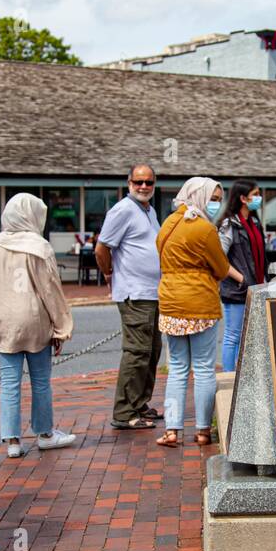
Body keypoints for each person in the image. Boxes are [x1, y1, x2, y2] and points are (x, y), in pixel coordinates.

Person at [0, 192, 75, 457]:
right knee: (41, 381)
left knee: (9, 384)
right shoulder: (40, 247)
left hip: (4, 322)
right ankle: (45, 433)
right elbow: (50, 290)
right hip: (35, 321)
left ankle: (12, 442)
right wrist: (61, 327)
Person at [155, 177, 242, 448]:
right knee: (204, 368)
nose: (217, 204)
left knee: (178, 368)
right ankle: (203, 430)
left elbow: (160, 255)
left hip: (170, 302)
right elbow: (219, 267)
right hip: (200, 302)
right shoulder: (204, 229)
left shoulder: (168, 223)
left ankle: (171, 430)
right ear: (200, 196)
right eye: (214, 198)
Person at [97, 164, 163, 431]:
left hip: (152, 292)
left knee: (152, 351)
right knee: (137, 353)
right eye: (139, 182)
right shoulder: (122, 210)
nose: (144, 186)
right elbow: (102, 248)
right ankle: (124, 412)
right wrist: (109, 273)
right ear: (129, 183)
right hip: (134, 294)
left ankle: (139, 402)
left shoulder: (149, 210)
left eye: (148, 182)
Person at [216, 178, 267, 371]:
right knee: (233, 335)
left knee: (250, 337)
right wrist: (241, 279)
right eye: (255, 195)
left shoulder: (254, 222)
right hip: (237, 290)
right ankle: (230, 377)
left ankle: (244, 375)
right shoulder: (229, 224)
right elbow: (220, 258)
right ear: (243, 198)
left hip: (256, 288)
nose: (259, 198)